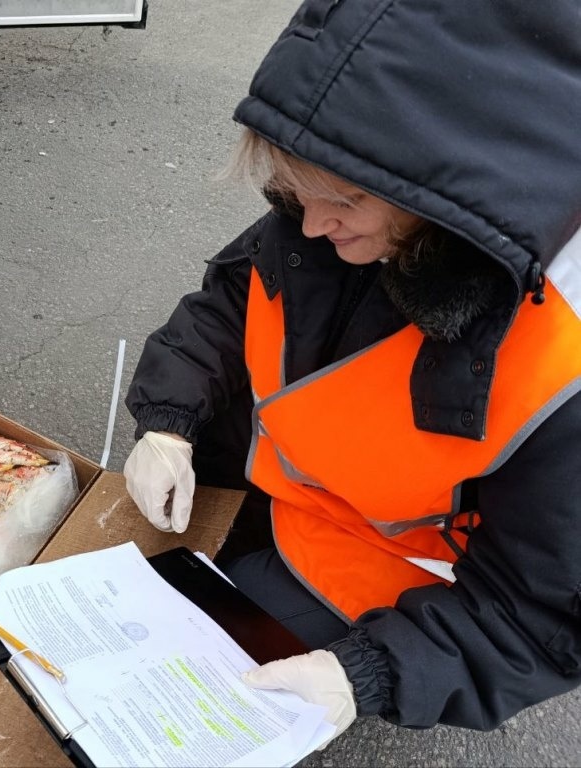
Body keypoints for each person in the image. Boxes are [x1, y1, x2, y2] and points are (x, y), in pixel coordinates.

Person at [123, 0, 581, 746]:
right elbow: (229, 306)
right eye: (301, 193)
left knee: (187, 694)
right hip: (277, 497)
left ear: (454, 197)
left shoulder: (564, 353)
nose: (311, 225)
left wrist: (369, 672)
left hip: (390, 579)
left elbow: (541, 613)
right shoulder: (328, 213)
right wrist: (168, 421)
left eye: (344, 200)